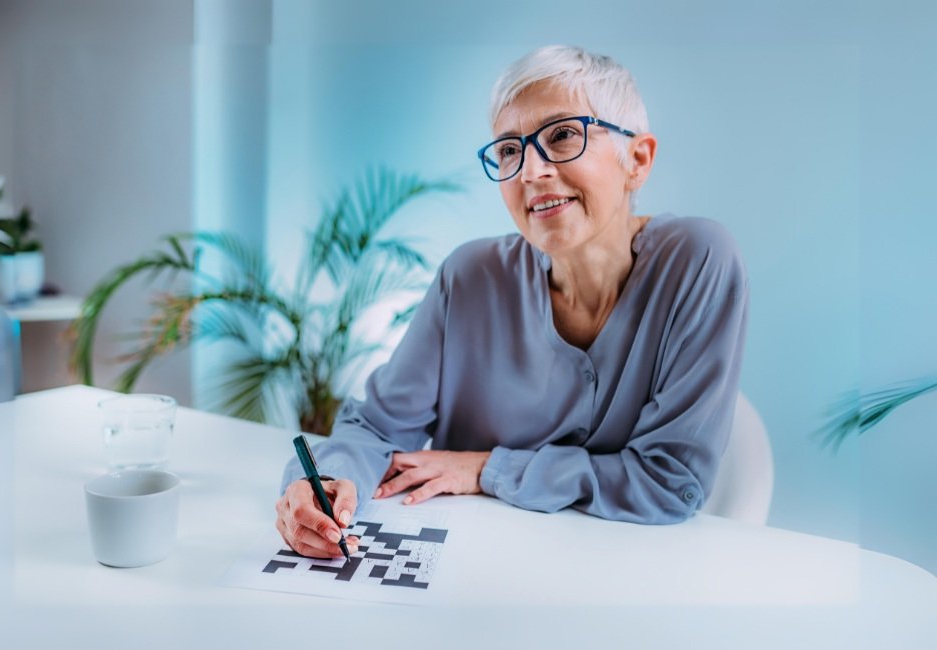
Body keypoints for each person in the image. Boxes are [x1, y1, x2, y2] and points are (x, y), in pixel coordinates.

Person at [275, 45, 749, 559]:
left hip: (626, 577)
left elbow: (669, 481)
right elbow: (376, 427)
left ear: (637, 160)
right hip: (469, 568)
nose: (530, 171)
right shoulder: (469, 276)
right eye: (508, 150)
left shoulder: (698, 259)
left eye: (563, 135)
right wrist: (325, 480)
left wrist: (487, 468)